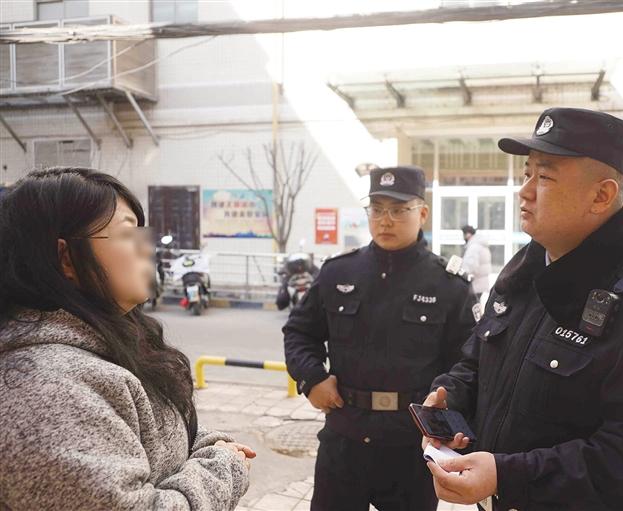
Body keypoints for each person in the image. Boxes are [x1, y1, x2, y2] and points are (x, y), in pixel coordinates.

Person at [422, 108, 623, 511]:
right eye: (527, 173)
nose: (524, 191)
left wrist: (507, 476)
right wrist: (450, 399)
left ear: (601, 195)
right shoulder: (524, 274)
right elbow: (477, 363)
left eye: (545, 177)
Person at [0, 167, 253, 510]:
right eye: (127, 234)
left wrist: (211, 445)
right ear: (66, 259)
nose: (146, 249)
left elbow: (155, 432)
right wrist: (223, 468)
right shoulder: (45, 392)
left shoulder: (104, 342)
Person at [283, 166, 476, 511]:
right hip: (344, 437)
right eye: (377, 209)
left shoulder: (448, 285)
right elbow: (299, 331)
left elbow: (468, 360)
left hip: (411, 445)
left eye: (399, 210)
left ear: (422, 213)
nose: (385, 220)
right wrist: (311, 378)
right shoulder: (338, 272)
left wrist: (446, 405)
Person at [461, 225, 492, 302]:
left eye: (464, 235)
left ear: (468, 234)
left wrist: (461, 274)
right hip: (481, 283)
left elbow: (470, 266)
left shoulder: (474, 247)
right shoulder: (481, 245)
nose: (463, 237)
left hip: (475, 283)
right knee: (476, 304)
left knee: (471, 306)